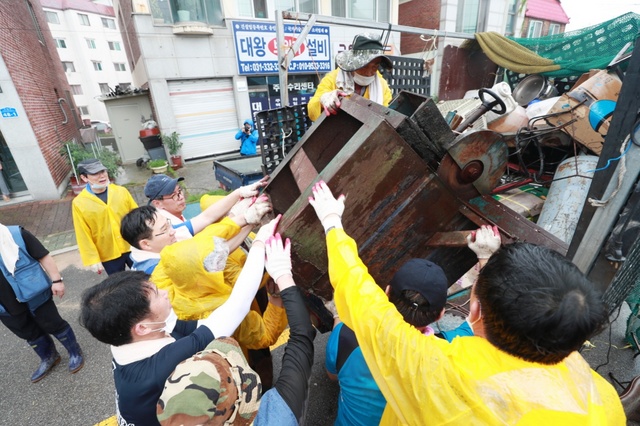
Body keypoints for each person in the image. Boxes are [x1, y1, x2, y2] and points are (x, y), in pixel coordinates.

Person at [308, 180, 624, 424]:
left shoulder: (435, 372)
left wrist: (333, 224)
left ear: (475, 313)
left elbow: (364, 302)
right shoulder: (603, 400)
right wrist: (487, 257)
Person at [80, 217, 280, 426]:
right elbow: (237, 307)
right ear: (141, 328)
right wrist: (260, 243)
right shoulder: (161, 366)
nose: (166, 293)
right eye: (157, 295)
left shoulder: (123, 337)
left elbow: (205, 326)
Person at [324, 243, 498, 426]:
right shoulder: (449, 353)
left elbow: (332, 376)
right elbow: (481, 319)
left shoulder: (346, 335)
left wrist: (338, 316)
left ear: (387, 292)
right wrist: (485, 256)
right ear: (440, 314)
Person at [157, 233, 317, 426]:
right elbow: (270, 335)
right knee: (259, 374)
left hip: (205, 368)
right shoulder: (223, 307)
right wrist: (277, 294)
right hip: (247, 352)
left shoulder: (165, 292)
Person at [0, 224, 83, 383]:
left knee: (53, 323)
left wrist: (57, 280)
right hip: (5, 304)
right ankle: (49, 357)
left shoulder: (16, 234)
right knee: (27, 332)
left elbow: (43, 255)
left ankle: (74, 351)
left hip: (33, 291)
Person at [144, 173, 268, 241]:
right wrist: (242, 217)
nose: (181, 197)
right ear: (157, 203)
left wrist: (239, 192)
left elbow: (206, 217)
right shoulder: (167, 228)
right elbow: (208, 239)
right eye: (174, 196)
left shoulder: (171, 215)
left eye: (179, 191)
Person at [72, 158, 137, 275]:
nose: (101, 176)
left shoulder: (121, 191)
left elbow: (137, 216)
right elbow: (83, 233)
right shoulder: (79, 202)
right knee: (119, 286)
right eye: (95, 173)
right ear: (84, 178)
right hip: (108, 252)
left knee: (146, 278)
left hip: (131, 245)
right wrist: (93, 259)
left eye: (103, 171)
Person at [307, 33, 393, 121]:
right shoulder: (333, 79)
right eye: (364, 66)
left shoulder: (382, 86)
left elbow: (386, 114)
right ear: (353, 63)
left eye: (375, 66)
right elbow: (311, 109)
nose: (368, 73)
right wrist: (323, 100)